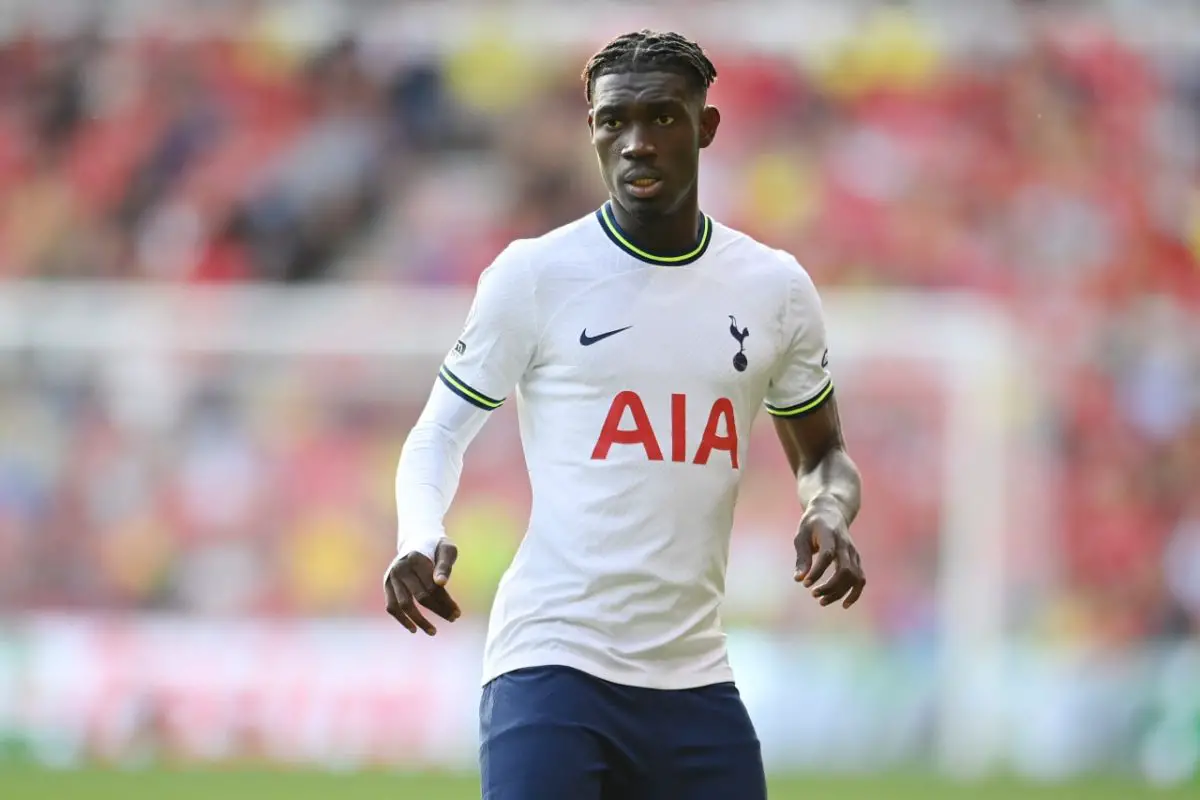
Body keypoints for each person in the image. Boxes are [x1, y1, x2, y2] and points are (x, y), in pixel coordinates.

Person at [383, 29, 866, 800]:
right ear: (592, 130)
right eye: (615, 121)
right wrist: (419, 535)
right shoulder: (535, 276)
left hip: (696, 676)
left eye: (663, 118)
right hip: (554, 666)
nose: (637, 143)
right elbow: (439, 429)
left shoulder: (773, 287)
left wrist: (830, 511)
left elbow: (824, 455)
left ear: (706, 128)